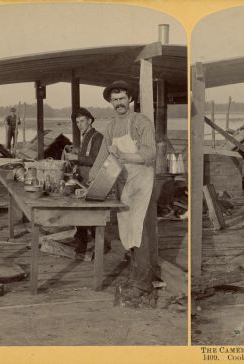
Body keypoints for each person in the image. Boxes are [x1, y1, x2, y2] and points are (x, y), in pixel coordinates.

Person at [102, 80, 156, 299]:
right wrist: (93, 182)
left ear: (130, 99)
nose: (118, 103)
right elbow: (104, 157)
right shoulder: (111, 126)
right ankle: (135, 276)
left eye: (122, 98)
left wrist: (123, 156)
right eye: (114, 100)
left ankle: (144, 283)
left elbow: (149, 154)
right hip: (123, 181)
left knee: (138, 230)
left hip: (141, 179)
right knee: (127, 231)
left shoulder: (141, 122)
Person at [65, 107, 109, 260]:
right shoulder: (86, 136)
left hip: (91, 179)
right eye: (77, 122)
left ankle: (100, 244)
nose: (79, 124)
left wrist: (76, 157)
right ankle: (81, 241)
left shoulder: (98, 137)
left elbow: (97, 160)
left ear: (90, 121)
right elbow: (86, 156)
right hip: (81, 178)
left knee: (90, 214)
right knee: (79, 212)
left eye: (82, 121)